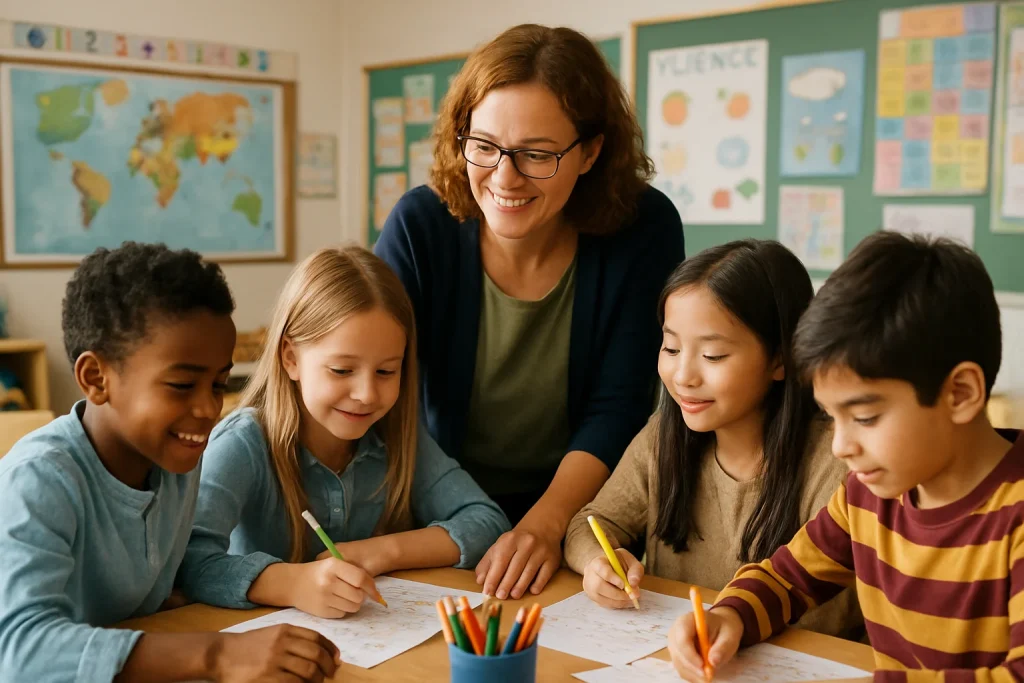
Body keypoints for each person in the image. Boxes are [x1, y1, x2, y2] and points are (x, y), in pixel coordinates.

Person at [374, 23, 685, 602]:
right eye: (484, 146)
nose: (504, 178)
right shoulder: (421, 227)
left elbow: (619, 405)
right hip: (439, 514)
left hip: (582, 521)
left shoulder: (643, 230)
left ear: (591, 151)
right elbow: (374, 384)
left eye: (537, 154)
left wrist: (544, 524)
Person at [667, 232, 1023, 682]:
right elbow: (787, 579)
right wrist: (730, 616)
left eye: (866, 417)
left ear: (960, 393)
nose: (840, 446)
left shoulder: (1014, 518)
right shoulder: (867, 495)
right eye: (832, 417)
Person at [0, 242, 340, 682]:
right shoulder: (38, 478)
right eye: (182, 384)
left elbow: (183, 568)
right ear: (96, 379)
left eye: (219, 384)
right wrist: (218, 654)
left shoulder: (174, 461)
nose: (208, 409)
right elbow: (21, 652)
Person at [181, 246, 510, 617]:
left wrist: (381, 551)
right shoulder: (244, 444)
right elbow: (188, 560)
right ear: (291, 358)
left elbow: (487, 521)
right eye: (341, 370)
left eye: (386, 371)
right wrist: (292, 583)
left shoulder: (397, 436)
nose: (367, 394)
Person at [564, 240, 860, 639]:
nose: (683, 375)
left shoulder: (841, 459)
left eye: (713, 356)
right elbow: (589, 524)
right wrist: (598, 561)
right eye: (671, 347)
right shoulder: (663, 438)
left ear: (780, 358)